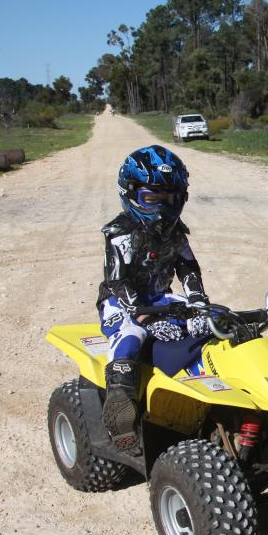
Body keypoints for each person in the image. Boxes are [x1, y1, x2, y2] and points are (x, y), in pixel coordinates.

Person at [97, 145, 210, 453]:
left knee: (216, 318)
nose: (161, 209)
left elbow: (189, 269)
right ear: (131, 194)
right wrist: (146, 317)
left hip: (159, 296)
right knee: (132, 335)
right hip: (120, 303)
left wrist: (199, 304)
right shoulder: (120, 233)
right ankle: (120, 408)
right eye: (151, 199)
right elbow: (116, 280)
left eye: (168, 200)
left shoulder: (176, 233)